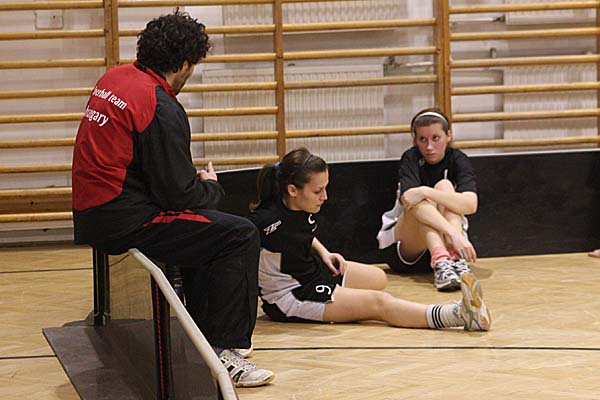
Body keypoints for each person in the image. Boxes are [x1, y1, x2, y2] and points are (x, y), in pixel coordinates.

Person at [71, 10, 273, 388]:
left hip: (91, 213)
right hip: (123, 221)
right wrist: (210, 186)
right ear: (183, 64)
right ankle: (224, 350)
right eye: (192, 66)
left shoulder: (115, 78)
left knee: (206, 230)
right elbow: (179, 195)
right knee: (240, 234)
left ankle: (199, 338)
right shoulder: (160, 105)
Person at [247, 147, 491, 331]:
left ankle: (344, 305)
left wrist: (324, 253)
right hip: (291, 295)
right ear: (292, 190)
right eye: (318, 191)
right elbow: (242, 252)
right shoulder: (266, 221)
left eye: (326, 188)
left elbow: (300, 234)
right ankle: (458, 315)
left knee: (378, 279)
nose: (325, 196)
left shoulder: (300, 204)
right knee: (379, 303)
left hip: (313, 271)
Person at [377, 108, 478, 292]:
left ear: (448, 135)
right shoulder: (411, 157)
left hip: (448, 244)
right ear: (415, 140)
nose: (429, 147)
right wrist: (454, 235)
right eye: (423, 140)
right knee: (418, 202)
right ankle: (442, 261)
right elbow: (409, 199)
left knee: (445, 186)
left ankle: (452, 260)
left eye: (435, 138)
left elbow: (471, 205)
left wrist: (426, 191)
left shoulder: (458, 159)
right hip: (406, 249)